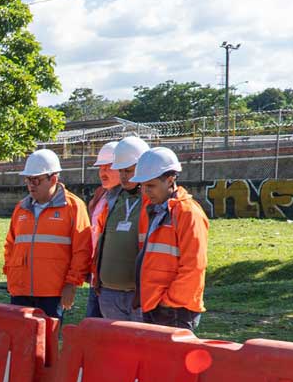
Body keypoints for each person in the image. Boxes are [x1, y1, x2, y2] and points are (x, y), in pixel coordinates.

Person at [3, 148, 92, 320]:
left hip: (53, 293)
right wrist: (11, 275)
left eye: (36, 180)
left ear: (54, 179)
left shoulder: (73, 207)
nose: (30, 185)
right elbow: (10, 245)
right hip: (20, 291)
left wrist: (71, 284)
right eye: (28, 180)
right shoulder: (21, 208)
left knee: (47, 343)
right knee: (22, 341)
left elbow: (82, 250)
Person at [133, 147, 209, 330]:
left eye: (150, 186)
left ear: (170, 181)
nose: (145, 192)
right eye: (142, 186)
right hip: (155, 304)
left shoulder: (188, 213)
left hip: (174, 309)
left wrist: (169, 301)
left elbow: (194, 266)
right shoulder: (155, 210)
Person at [90, 135, 150, 321]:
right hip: (108, 294)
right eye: (121, 171)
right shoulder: (111, 199)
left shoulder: (154, 203)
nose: (123, 176)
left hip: (137, 297)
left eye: (128, 171)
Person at [85, 140, 119, 318]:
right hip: (96, 278)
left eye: (109, 167)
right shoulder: (100, 195)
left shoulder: (131, 201)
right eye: (101, 167)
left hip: (115, 282)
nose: (103, 172)